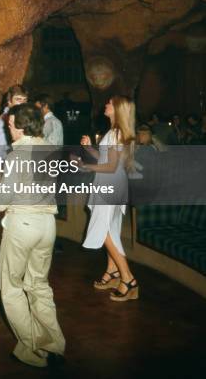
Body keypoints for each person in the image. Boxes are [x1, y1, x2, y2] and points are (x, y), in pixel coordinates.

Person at [0, 104, 65, 368]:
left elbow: (0, 202)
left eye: (10, 124)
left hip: (23, 225)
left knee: (11, 288)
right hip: (48, 226)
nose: (8, 128)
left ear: (21, 125)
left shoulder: (17, 155)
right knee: (39, 286)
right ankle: (54, 344)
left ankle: (33, 349)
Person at [79, 96, 139, 302]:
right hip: (112, 184)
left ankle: (128, 279)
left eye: (110, 103)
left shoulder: (116, 133)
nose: (106, 104)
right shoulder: (115, 132)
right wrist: (89, 150)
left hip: (109, 185)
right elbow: (107, 160)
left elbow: (110, 166)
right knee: (110, 229)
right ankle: (113, 272)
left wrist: (84, 166)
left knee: (103, 230)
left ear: (118, 109)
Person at [0, 85, 28, 161]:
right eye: (18, 99)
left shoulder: (16, 119)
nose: (23, 103)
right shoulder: (5, 123)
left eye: (25, 100)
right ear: (9, 102)